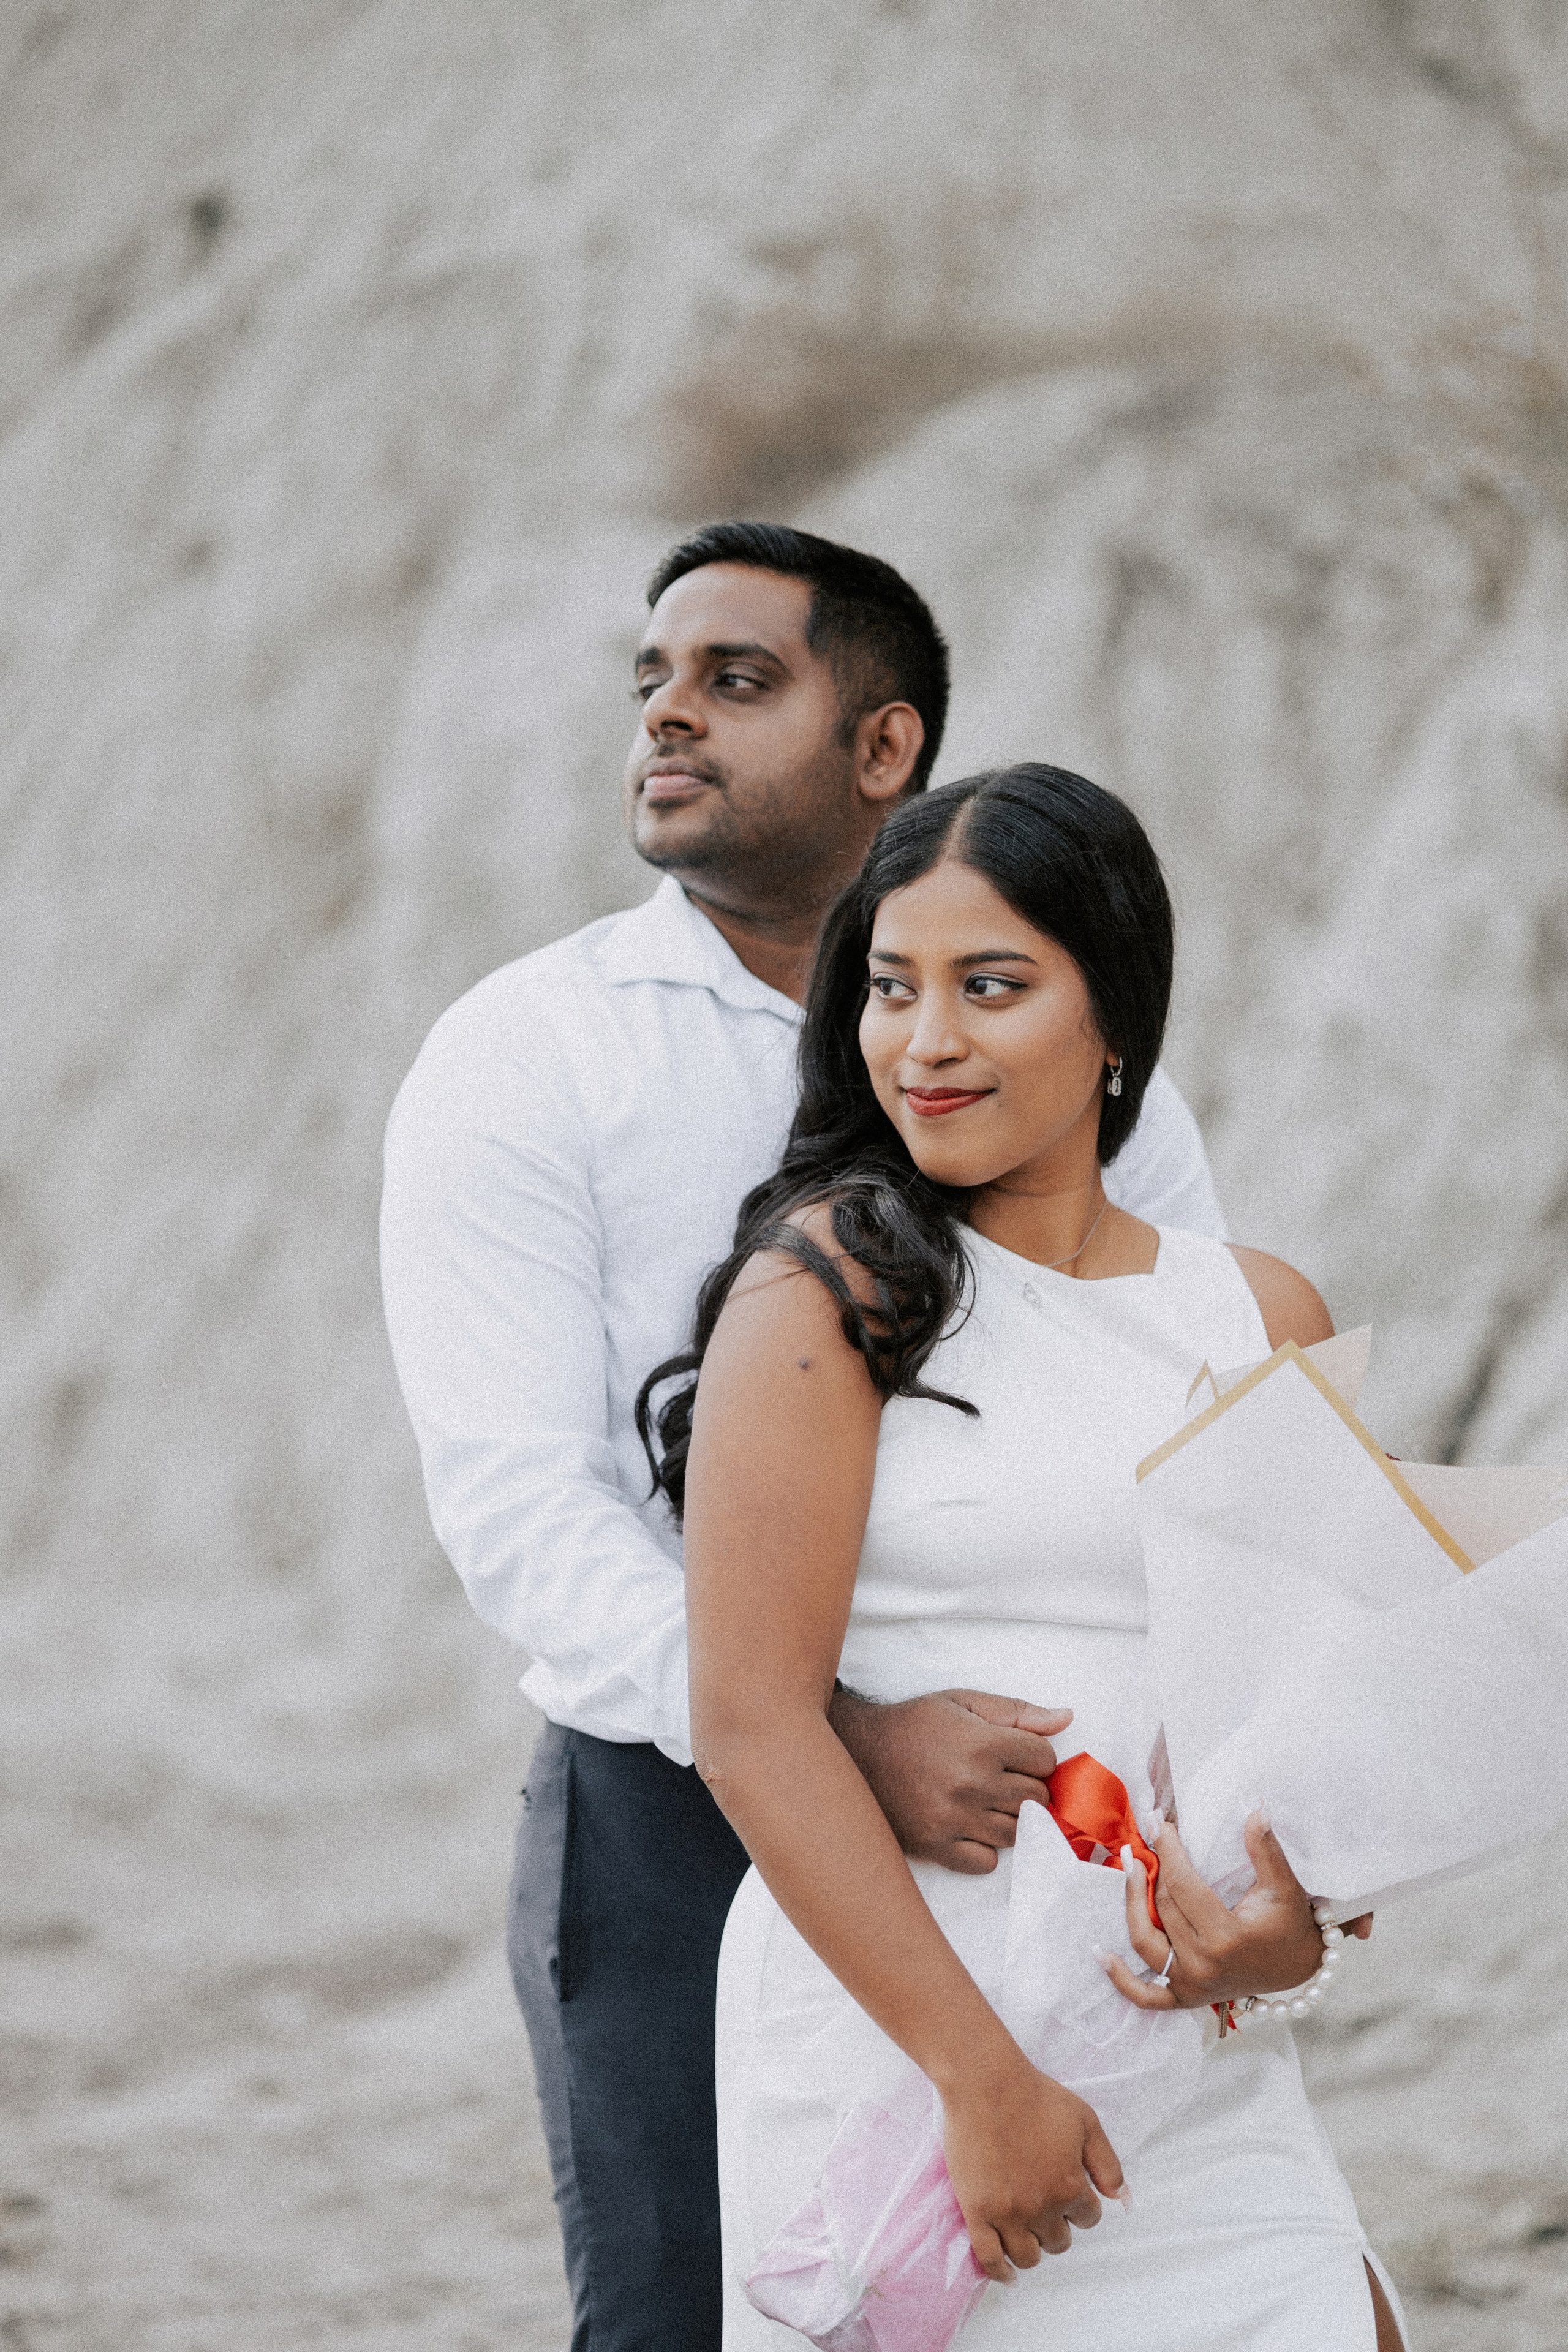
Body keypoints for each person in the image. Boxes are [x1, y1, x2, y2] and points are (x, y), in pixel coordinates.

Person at [379, 529, 1229, 2352]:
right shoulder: (528, 1055)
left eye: (736, 680)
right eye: (653, 683)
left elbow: (1184, 1399)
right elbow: (528, 1511)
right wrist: (827, 1729)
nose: (669, 714)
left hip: (1043, 1803)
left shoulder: (1074, 1055)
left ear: (885, 746)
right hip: (674, 1797)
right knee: (703, 2312)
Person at [650, 762, 1405, 2349]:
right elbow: (750, 1719)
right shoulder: (829, 1293)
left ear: (1113, 1012)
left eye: (990, 987)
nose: (924, 1042)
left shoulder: (1259, 1321)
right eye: (891, 988)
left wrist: (1296, 1933)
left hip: (1185, 2063)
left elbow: (1322, 1741)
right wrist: (976, 2081)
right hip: (901, 2057)